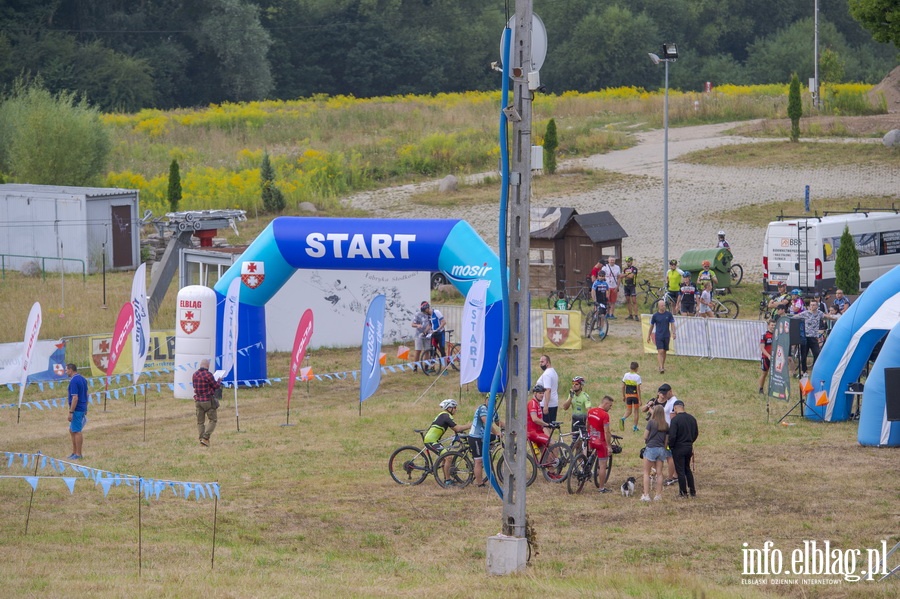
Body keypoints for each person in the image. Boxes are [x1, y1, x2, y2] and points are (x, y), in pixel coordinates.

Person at [424, 398, 471, 486]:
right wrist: (469, 426)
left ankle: (446, 478)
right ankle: (448, 481)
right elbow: (457, 428)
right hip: (430, 441)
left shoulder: (444, 415)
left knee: (445, 457)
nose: (456, 409)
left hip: (434, 440)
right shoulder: (446, 416)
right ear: (449, 408)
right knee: (448, 457)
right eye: (454, 407)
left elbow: (455, 429)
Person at [469, 395, 504, 487]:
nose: (491, 402)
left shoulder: (494, 411)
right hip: (476, 437)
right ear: (486, 400)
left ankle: (488, 453)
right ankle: (480, 483)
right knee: (479, 461)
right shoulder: (483, 408)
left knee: (498, 439)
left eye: (493, 400)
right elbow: (486, 421)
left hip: (484, 437)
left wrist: (511, 428)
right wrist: (497, 433)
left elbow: (498, 422)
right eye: (489, 400)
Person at [667, 400, 699, 498]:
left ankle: (683, 492)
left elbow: (672, 436)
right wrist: (690, 442)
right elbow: (696, 433)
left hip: (678, 447)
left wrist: (671, 446)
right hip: (688, 447)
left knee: (680, 471)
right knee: (687, 469)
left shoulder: (675, 420)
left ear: (675, 408)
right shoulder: (692, 418)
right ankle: (692, 491)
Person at [586, 395, 615, 493]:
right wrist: (609, 446)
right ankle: (601, 488)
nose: (610, 408)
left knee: (588, 456)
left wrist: (589, 434)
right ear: (606, 403)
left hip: (591, 439)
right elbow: (606, 432)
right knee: (603, 465)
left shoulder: (590, 411)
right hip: (600, 442)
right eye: (610, 406)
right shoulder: (605, 415)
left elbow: (587, 424)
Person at [640, 404, 668, 502]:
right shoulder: (666, 424)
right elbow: (666, 440)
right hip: (661, 449)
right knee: (659, 473)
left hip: (651, 447)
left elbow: (645, 436)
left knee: (646, 472)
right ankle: (658, 495)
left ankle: (646, 495)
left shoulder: (651, 422)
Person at [192, 358, 222, 447]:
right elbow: (216, 386)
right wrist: (219, 380)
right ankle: (205, 438)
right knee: (213, 420)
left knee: (200, 422)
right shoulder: (208, 375)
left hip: (198, 401)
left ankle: (201, 439)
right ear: (207, 366)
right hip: (208, 400)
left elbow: (194, 386)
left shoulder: (195, 374)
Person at [794, 299, 823, 376]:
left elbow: (827, 316)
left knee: (817, 353)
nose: (812, 306)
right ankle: (804, 371)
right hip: (805, 337)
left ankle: (815, 370)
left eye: (814, 305)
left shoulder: (819, 313)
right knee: (804, 355)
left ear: (817, 306)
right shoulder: (805, 313)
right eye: (811, 305)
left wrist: (837, 318)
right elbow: (796, 316)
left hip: (814, 337)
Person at [66, 363, 88, 460]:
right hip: (82, 407)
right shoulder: (83, 379)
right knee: (72, 430)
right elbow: (87, 394)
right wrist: (86, 407)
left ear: (71, 370)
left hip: (77, 409)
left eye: (66, 370)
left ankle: (78, 454)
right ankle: (74, 452)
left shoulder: (74, 381)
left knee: (77, 431)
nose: (65, 372)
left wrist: (71, 412)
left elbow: (75, 398)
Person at [648, 300, 676, 373]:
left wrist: (674, 333)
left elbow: (672, 324)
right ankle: (661, 367)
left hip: (666, 335)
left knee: (665, 351)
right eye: (662, 305)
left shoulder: (669, 314)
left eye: (664, 305)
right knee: (660, 351)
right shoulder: (655, 316)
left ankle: (662, 365)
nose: (664, 307)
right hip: (659, 335)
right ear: (658, 307)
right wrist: (649, 335)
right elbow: (651, 326)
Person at [527, 384, 553, 454]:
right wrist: (547, 424)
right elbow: (534, 419)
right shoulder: (532, 403)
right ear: (535, 393)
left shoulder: (537, 404)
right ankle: (553, 463)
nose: (542, 395)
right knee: (553, 444)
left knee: (545, 452)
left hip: (539, 431)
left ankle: (546, 464)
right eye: (540, 393)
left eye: (543, 393)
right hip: (533, 433)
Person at [536, 354, 560, 424]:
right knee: (549, 425)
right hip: (553, 403)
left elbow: (548, 390)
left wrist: (546, 406)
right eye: (540, 362)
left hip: (547, 404)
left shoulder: (547, 374)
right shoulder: (553, 372)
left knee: (545, 426)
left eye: (542, 362)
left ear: (548, 362)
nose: (541, 364)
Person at [410, 301, 433, 371]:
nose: (427, 310)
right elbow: (412, 324)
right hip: (418, 335)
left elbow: (430, 324)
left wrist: (426, 331)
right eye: (426, 309)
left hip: (427, 335)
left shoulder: (430, 314)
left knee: (427, 351)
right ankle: (415, 366)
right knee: (418, 350)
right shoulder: (418, 314)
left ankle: (426, 366)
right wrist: (417, 325)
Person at [620, 361, 642, 432]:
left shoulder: (626, 375)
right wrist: (640, 399)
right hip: (635, 396)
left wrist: (623, 396)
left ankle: (623, 418)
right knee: (636, 412)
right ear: (636, 368)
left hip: (628, 395)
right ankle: (635, 427)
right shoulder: (637, 377)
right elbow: (638, 389)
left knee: (629, 411)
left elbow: (623, 386)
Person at [759, 320, 776, 393]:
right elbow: (762, 348)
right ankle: (761, 389)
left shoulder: (777, 335)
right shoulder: (764, 335)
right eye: (772, 325)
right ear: (768, 325)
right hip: (766, 358)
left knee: (775, 374)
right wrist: (768, 356)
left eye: (774, 325)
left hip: (775, 358)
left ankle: (774, 389)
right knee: (764, 373)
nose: (773, 327)